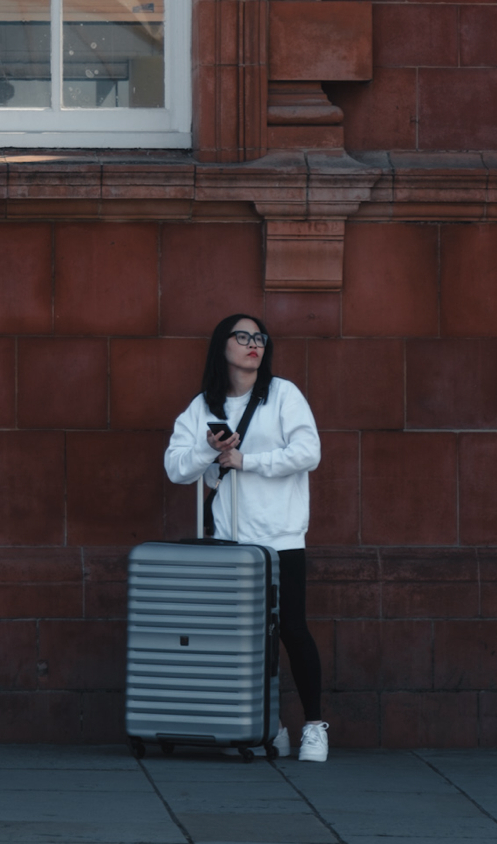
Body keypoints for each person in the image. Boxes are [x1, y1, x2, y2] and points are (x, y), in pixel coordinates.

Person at [164, 312, 328, 763]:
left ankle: (314, 726)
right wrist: (209, 450)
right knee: (244, 640)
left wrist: (246, 461)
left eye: (259, 337)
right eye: (242, 336)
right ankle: (266, 728)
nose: (253, 343)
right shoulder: (204, 406)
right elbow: (176, 468)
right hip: (230, 542)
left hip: (281, 536)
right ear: (223, 347)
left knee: (292, 630)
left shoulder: (282, 395)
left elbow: (308, 452)